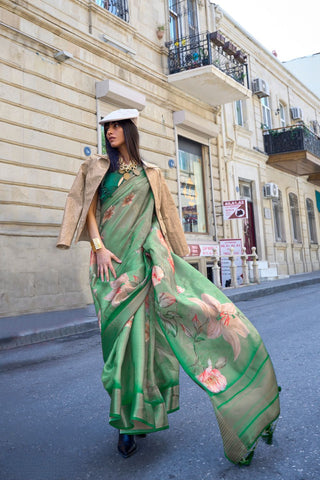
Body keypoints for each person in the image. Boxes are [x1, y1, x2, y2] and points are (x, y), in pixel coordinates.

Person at [57, 109, 280, 465]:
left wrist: (170, 251)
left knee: (144, 343)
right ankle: (133, 412)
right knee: (117, 347)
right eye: (107, 126)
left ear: (129, 131)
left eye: (116, 126)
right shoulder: (96, 167)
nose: (110, 131)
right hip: (109, 268)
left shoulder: (153, 174)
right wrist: (98, 247)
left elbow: (164, 216)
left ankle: (130, 423)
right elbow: (88, 210)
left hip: (143, 265)